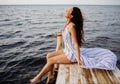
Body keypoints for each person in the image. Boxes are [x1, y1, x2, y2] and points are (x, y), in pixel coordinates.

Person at [30, 7, 117, 83]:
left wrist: (78, 59)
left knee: (50, 61)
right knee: (48, 55)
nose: (66, 10)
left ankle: (38, 77)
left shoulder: (71, 26)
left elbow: (75, 44)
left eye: (68, 10)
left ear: (71, 16)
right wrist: (60, 34)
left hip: (72, 54)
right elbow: (67, 34)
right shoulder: (67, 24)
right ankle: (51, 75)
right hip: (67, 50)